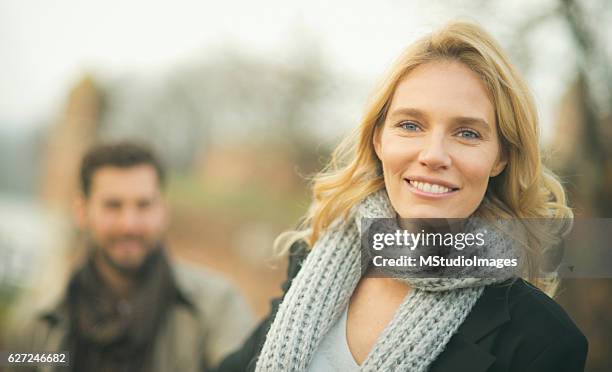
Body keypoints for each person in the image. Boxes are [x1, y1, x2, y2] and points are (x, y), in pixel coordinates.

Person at [217, 21, 588, 372]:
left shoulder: (542, 338)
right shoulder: (314, 255)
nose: (433, 155)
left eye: (467, 133)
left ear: (501, 157)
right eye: (410, 125)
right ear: (379, 139)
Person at [7, 141, 253, 372]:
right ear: (82, 212)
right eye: (113, 206)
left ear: (162, 210)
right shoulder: (39, 324)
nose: (129, 225)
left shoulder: (216, 309)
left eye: (143, 205)